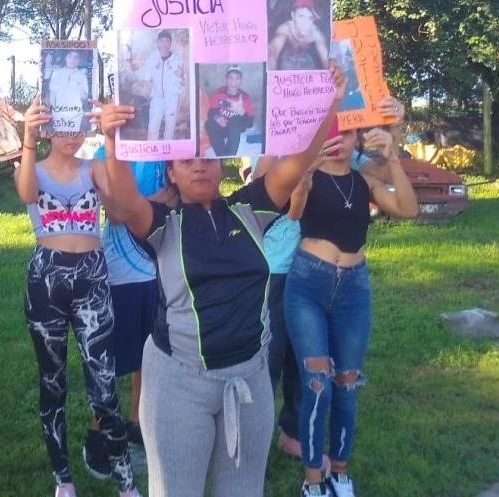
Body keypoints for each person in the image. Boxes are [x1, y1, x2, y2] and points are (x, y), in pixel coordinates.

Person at [97, 63, 346, 497]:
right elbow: (122, 199)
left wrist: (330, 102)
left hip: (248, 380)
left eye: (208, 158)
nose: (199, 167)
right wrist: (111, 141)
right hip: (178, 383)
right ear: (170, 172)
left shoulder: (249, 209)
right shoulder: (162, 223)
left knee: (244, 491)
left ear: (222, 165)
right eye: (187, 161)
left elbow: (302, 155)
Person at [254, 97, 407, 470]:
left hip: (321, 272)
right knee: (268, 359)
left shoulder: (342, 152)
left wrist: (396, 130)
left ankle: (292, 432)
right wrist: (285, 131)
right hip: (275, 265)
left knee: (303, 363)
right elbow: (261, 182)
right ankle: (252, 440)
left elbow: (383, 176)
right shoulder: (288, 145)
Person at [284, 115, 417, 497]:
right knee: (317, 385)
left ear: (357, 135)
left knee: (346, 384)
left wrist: (392, 157)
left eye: (346, 131)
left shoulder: (363, 181)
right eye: (331, 132)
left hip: (354, 290)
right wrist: (306, 173)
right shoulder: (308, 175)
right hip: (308, 284)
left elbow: (408, 209)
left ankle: (339, 472)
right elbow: (294, 212)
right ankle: (312, 481)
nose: (338, 139)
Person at [16, 98, 142, 497]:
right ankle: (63, 480)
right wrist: (28, 138)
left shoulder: (95, 168)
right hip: (46, 278)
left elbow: (120, 211)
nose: (70, 137)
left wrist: (110, 133)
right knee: (52, 383)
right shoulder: (32, 169)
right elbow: (25, 194)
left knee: (104, 387)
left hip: (91, 278)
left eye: (77, 128)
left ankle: (126, 483)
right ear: (49, 129)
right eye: (62, 128)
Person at [82, 149, 167, 475]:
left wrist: (147, 205)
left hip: (160, 265)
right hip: (120, 271)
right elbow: (116, 213)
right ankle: (97, 432)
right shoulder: (108, 150)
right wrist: (156, 202)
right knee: (112, 357)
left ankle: (136, 424)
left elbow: (180, 198)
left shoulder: (167, 144)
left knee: (152, 354)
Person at [131, 29, 185, 140]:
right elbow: (145, 76)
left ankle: (168, 151)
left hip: (172, 97)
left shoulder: (177, 60)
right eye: (161, 41)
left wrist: (182, 75)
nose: (164, 44)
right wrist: (135, 70)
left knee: (170, 126)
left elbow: (184, 80)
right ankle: (152, 152)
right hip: (157, 97)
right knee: (153, 125)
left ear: (170, 43)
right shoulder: (152, 59)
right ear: (158, 43)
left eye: (167, 41)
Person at [268, 0, 330, 71]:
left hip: (307, 60)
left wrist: (330, 73)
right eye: (301, 16)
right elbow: (273, 50)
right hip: (287, 60)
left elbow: (325, 58)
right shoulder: (286, 29)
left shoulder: (316, 34)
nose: (305, 23)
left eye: (309, 17)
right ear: (293, 15)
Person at [204, 66, 255, 156]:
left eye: (237, 78)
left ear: (241, 81)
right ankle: (222, 156)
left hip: (236, 128)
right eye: (230, 78)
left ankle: (230, 155)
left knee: (235, 120)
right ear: (226, 80)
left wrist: (242, 112)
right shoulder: (219, 93)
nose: (233, 82)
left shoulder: (245, 98)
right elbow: (211, 111)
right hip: (222, 127)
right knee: (209, 124)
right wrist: (217, 117)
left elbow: (250, 124)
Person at [47, 49, 91, 134]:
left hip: (75, 114)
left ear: (78, 60)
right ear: (66, 58)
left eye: (76, 57)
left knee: (73, 139)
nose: (72, 59)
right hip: (59, 114)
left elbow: (84, 96)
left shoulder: (82, 76)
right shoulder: (56, 73)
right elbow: (53, 94)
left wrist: (79, 85)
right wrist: (54, 112)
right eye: (70, 56)